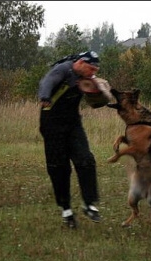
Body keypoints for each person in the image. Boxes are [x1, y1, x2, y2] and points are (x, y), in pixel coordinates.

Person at [38, 50, 105, 229]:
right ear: (81, 63)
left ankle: (89, 204)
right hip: (51, 124)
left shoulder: (88, 78)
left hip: (73, 124)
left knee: (86, 160)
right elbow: (46, 82)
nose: (92, 73)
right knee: (58, 167)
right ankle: (66, 210)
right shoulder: (64, 69)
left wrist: (100, 93)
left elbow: (99, 99)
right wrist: (44, 96)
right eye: (90, 69)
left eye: (94, 71)